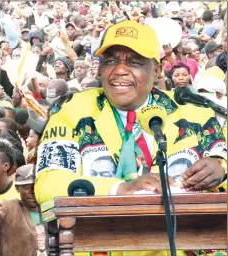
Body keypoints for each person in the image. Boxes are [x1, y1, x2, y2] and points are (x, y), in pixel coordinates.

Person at [35, 20, 227, 255]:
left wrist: (221, 170)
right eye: (111, 61)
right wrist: (120, 188)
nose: (120, 70)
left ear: (156, 70)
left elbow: (221, 164)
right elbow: (47, 184)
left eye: (135, 62)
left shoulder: (195, 113)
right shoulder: (71, 112)